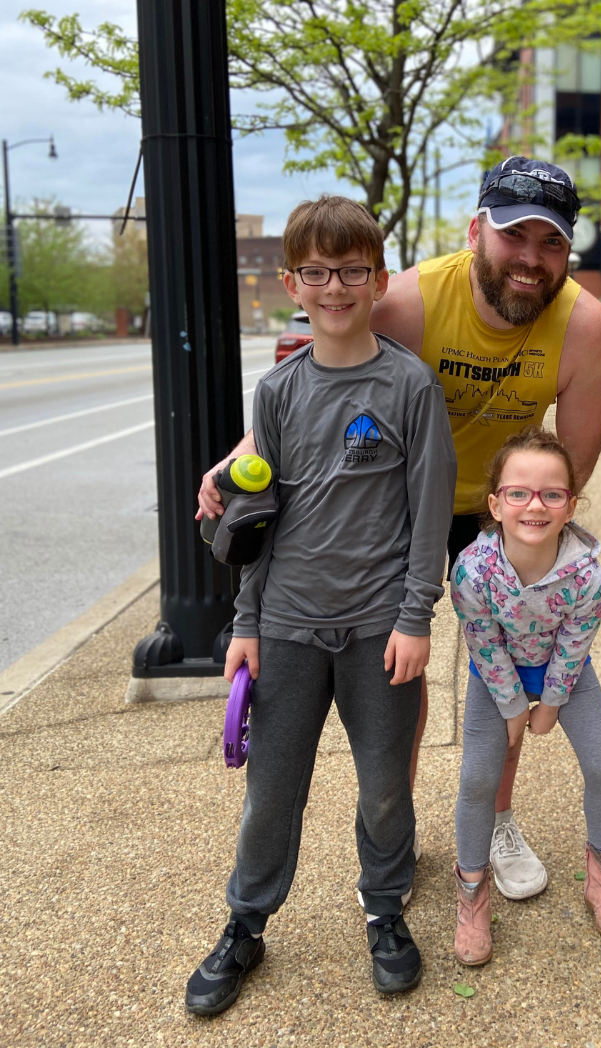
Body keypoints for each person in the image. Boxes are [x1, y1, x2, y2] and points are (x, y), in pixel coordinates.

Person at [197, 158, 601, 901]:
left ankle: (494, 817)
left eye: (549, 242)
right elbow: (320, 392)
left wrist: (524, 547)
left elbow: (568, 472)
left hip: (503, 508)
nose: (529, 256)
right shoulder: (409, 301)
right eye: (511, 234)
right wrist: (243, 457)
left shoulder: (587, 329)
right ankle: (403, 829)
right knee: (403, 665)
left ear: (567, 252)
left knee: (509, 662)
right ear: (474, 232)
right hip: (401, 500)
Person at [185, 196, 456, 1015]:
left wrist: (416, 617)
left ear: (377, 279)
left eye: (349, 270)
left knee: (384, 786)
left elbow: (430, 511)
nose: (333, 286)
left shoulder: (410, 386)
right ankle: (246, 920)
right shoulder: (276, 392)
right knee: (272, 789)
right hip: (291, 626)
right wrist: (246, 626)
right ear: (291, 283)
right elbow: (259, 524)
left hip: (380, 630)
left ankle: (385, 909)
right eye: (315, 271)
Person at [449, 426, 601, 965]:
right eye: (519, 493)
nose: (536, 504)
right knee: (479, 779)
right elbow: (480, 640)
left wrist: (550, 702)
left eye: (553, 493)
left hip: (564, 673)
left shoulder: (586, 576)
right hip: (493, 675)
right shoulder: (472, 571)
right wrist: (511, 706)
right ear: (495, 504)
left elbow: (576, 645)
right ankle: (473, 894)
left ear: (570, 504)